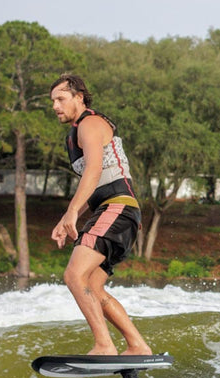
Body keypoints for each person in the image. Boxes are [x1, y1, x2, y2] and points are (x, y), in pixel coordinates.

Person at [47, 73, 152, 357]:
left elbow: (93, 171)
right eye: (52, 101)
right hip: (120, 212)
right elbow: (92, 184)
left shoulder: (90, 124)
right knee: (92, 285)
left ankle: (105, 346)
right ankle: (137, 345)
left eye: (61, 99)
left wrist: (72, 213)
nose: (55, 105)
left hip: (117, 208)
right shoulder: (77, 132)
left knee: (73, 275)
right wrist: (67, 218)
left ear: (79, 97)